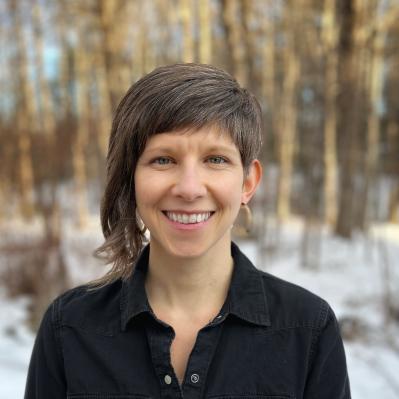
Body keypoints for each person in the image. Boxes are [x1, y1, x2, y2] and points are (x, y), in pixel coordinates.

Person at [24, 63, 351, 398]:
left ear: (248, 182)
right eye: (163, 159)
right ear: (130, 177)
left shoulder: (308, 330)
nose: (190, 189)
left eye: (216, 159)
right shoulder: (69, 329)